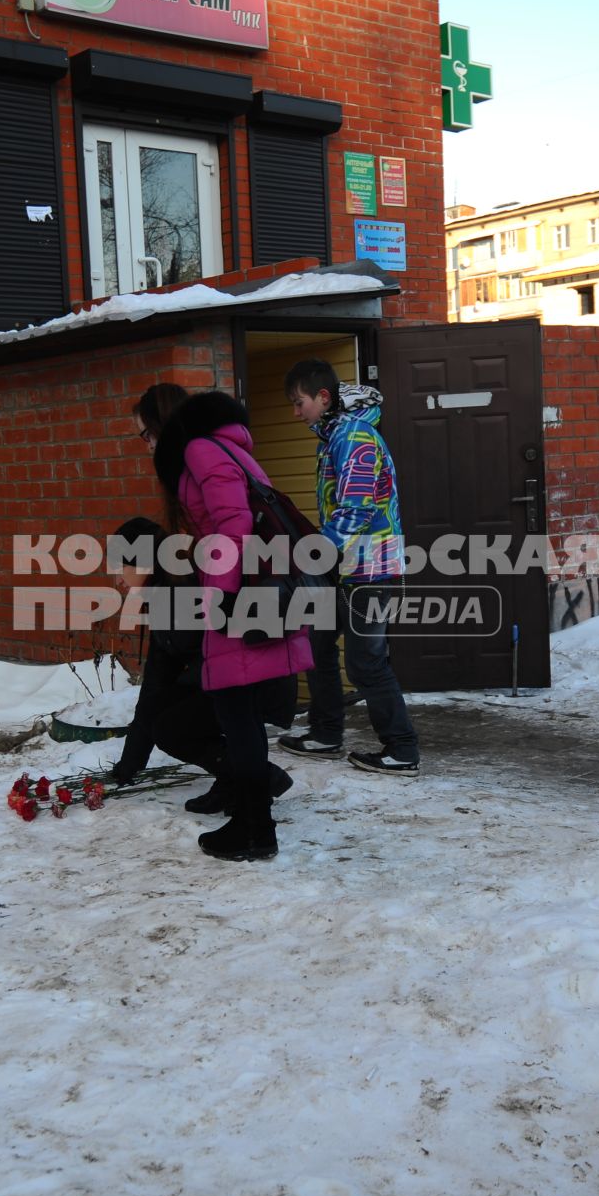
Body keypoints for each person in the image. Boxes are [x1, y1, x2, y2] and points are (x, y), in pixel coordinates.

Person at [150, 389, 314, 861]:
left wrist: (216, 595)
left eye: (146, 432)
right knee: (240, 717)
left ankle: (253, 830)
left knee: (236, 716)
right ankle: (251, 822)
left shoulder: (202, 449)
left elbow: (232, 521)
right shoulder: (234, 450)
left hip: (239, 598)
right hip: (256, 592)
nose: (146, 443)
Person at [276, 360, 421, 777]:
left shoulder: (355, 438)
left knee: (365, 662)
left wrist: (315, 554)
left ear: (323, 398)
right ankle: (325, 733)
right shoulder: (334, 437)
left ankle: (402, 750)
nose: (295, 411)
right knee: (318, 645)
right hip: (345, 568)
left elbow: (356, 508)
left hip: (370, 569)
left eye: (298, 402)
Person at [105, 515, 295, 815]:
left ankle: (256, 778)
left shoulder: (187, 591)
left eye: (120, 569)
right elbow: (155, 685)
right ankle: (234, 778)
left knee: (170, 727)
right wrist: (130, 765)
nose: (117, 580)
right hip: (221, 684)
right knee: (164, 713)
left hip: (255, 683)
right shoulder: (161, 599)